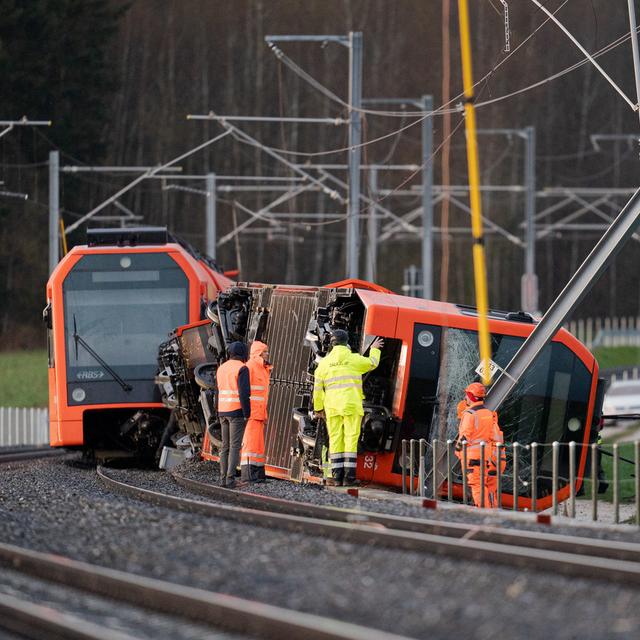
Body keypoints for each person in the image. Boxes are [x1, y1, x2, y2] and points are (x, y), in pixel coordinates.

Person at [313, 330, 384, 487]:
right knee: (351, 439)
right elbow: (373, 362)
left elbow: (317, 389)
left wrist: (318, 408)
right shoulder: (353, 359)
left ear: (332, 343)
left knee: (336, 439)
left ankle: (337, 477)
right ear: (346, 342)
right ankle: (349, 477)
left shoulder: (324, 364)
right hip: (351, 405)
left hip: (332, 407)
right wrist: (375, 348)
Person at [455, 382, 505, 508]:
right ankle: (492, 511)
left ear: (471, 397)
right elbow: (491, 436)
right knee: (488, 487)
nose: (465, 398)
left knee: (477, 485)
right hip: (489, 455)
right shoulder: (488, 414)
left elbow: (465, 437)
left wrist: (458, 450)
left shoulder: (469, 414)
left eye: (467, 395)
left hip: (472, 456)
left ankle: (484, 513)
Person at [216, 341, 250, 488]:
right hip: (236, 411)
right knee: (235, 446)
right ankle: (230, 480)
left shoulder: (221, 368)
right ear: (243, 354)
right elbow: (244, 393)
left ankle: (223, 479)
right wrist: (247, 412)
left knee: (225, 446)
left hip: (222, 410)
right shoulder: (242, 368)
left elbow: (217, 390)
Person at [240, 341, 272, 482]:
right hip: (252, 413)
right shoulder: (250, 367)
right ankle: (249, 475)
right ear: (258, 353)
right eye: (264, 352)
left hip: (259, 413)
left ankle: (258, 474)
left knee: (258, 446)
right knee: (251, 445)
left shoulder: (263, 368)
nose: (267, 354)